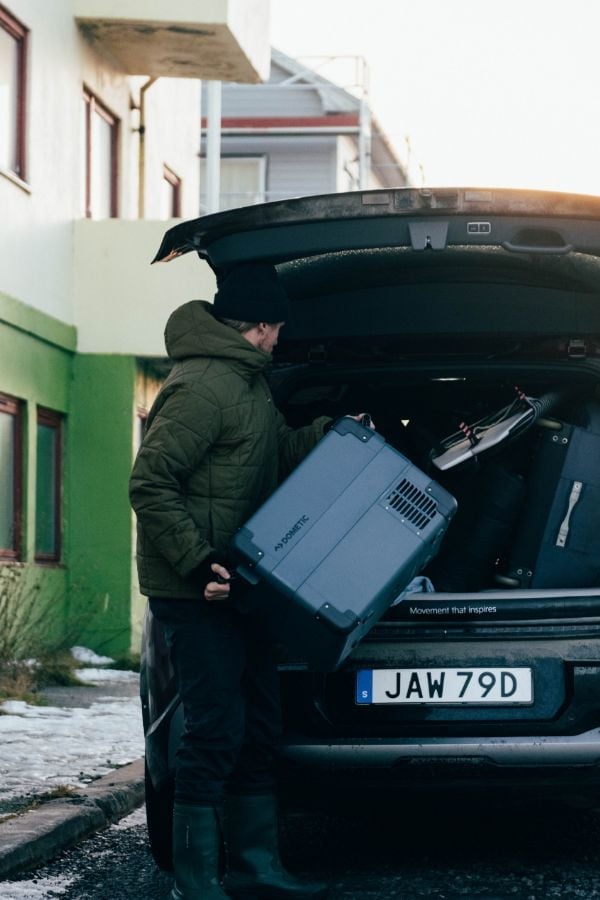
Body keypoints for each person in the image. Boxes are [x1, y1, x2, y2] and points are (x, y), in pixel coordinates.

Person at [130, 262, 338, 900]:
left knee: (259, 724)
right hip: (196, 590)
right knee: (215, 726)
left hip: (242, 583)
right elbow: (149, 483)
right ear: (261, 326)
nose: (281, 341)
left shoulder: (248, 385)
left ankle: (257, 867)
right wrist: (198, 562)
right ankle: (195, 882)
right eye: (277, 329)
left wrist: (335, 431)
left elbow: (272, 456)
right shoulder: (202, 387)